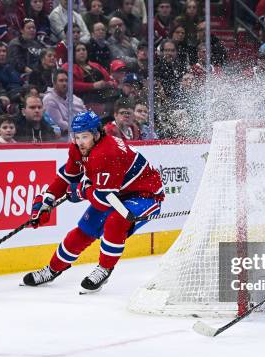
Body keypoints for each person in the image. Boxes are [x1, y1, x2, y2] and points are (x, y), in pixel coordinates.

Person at [23, 110, 164, 293]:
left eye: (85, 136)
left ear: (97, 134)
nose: (80, 142)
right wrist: (47, 200)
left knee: (116, 221)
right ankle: (52, 270)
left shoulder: (107, 152)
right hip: (116, 193)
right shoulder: (77, 148)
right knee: (83, 231)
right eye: (77, 136)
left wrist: (81, 191)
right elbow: (67, 177)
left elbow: (103, 201)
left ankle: (104, 269)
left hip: (144, 195)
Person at [43, 69, 86, 140]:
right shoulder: (49, 99)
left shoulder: (75, 98)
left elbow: (86, 115)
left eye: (66, 80)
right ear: (54, 83)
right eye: (61, 81)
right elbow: (60, 124)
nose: (64, 83)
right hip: (63, 137)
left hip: (81, 134)